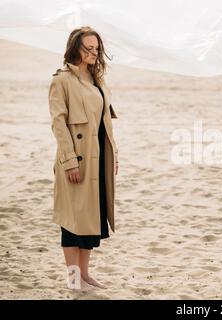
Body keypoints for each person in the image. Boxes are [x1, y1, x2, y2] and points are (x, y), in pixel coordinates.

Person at [48, 26, 119, 290]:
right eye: (88, 47)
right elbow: (59, 124)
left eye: (96, 48)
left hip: (99, 156)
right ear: (75, 48)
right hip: (77, 158)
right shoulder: (61, 80)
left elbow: (105, 124)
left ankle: (86, 275)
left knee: (92, 218)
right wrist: (69, 161)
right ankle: (73, 278)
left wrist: (115, 156)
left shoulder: (97, 78)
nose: (93, 52)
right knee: (73, 219)